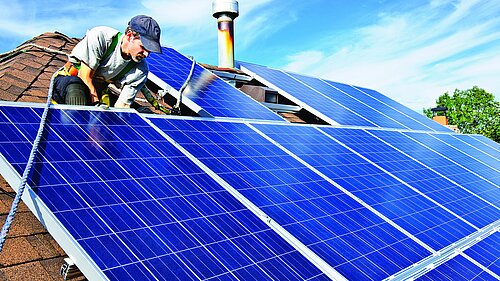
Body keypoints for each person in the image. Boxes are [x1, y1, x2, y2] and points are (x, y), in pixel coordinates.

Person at [53, 15, 162, 108]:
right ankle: (76, 130)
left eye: (150, 50)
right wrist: (96, 108)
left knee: (139, 113)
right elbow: (84, 76)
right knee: (76, 87)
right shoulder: (102, 37)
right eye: (143, 47)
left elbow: (123, 106)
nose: (146, 54)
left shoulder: (140, 70)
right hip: (67, 85)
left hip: (98, 93)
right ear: (129, 35)